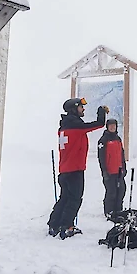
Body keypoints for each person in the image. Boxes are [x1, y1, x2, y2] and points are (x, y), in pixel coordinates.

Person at [48, 98, 108, 239]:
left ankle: (54, 224)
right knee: (75, 198)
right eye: (81, 107)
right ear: (74, 109)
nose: (83, 109)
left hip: (64, 169)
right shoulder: (76, 125)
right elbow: (99, 124)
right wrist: (102, 111)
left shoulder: (64, 126)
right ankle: (67, 226)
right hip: (75, 169)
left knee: (64, 198)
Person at [98, 119, 127, 217]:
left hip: (119, 170)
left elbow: (121, 154)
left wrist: (124, 167)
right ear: (107, 127)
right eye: (110, 125)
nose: (112, 127)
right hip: (109, 172)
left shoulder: (118, 139)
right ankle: (109, 210)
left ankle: (118, 209)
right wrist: (104, 171)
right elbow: (101, 157)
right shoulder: (103, 140)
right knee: (111, 192)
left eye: (114, 125)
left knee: (121, 190)